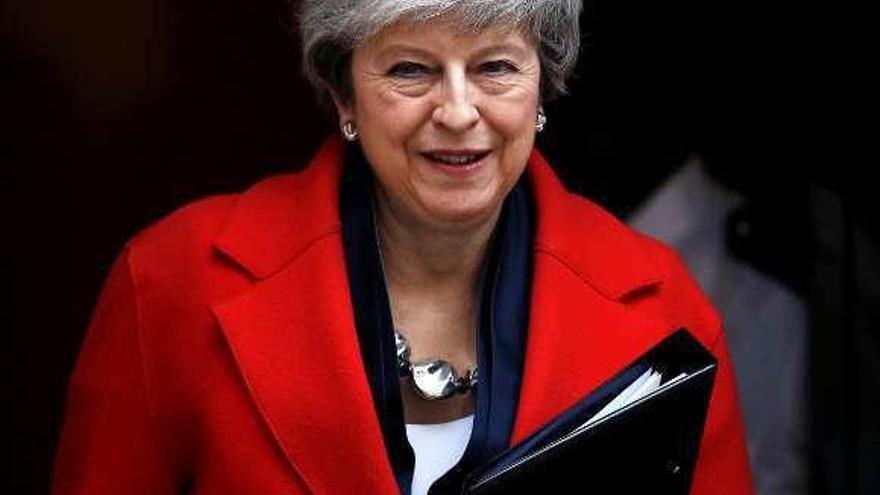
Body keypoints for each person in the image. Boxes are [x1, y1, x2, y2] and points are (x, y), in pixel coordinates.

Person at [51, 1, 753, 494]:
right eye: (411, 70)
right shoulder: (173, 281)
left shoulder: (665, 305)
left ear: (543, 84)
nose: (456, 111)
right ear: (344, 93)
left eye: (495, 67)